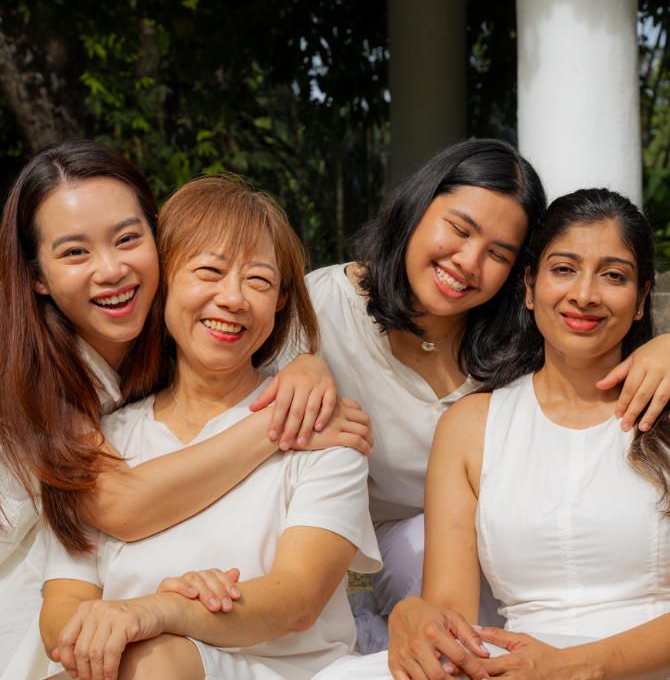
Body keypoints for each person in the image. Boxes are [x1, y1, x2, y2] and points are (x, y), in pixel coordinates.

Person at [277, 139, 670, 650]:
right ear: (418, 207)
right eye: (459, 229)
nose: (467, 261)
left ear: (516, 276)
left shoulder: (524, 336)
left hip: (523, 561)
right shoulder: (324, 310)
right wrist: (303, 366)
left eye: (498, 254)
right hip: (394, 551)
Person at [0, 141, 370, 679]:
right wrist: (279, 423)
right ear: (37, 275)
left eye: (127, 239)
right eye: (75, 251)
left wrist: (307, 374)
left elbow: (298, 597)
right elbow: (120, 507)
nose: (110, 268)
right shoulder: (44, 383)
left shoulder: (138, 364)